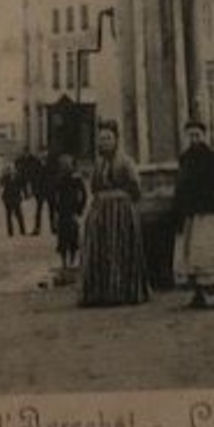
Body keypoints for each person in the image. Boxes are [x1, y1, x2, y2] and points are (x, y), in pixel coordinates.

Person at [79, 122, 147, 306]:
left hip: (121, 213)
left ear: (116, 140)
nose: (105, 143)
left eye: (108, 138)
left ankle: (122, 292)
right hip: (100, 212)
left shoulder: (126, 162)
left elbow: (136, 188)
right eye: (101, 139)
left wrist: (122, 202)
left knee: (120, 248)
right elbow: (93, 187)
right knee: (100, 250)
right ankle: (100, 293)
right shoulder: (98, 164)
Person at [174, 118, 214, 309]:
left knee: (213, 253)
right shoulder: (185, 159)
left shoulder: (212, 159)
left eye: (197, 135)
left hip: (210, 214)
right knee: (194, 254)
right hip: (193, 214)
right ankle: (198, 294)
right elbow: (182, 185)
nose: (194, 140)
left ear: (204, 136)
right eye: (190, 136)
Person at [50, 154, 88, 268]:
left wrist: (79, 209)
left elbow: (84, 195)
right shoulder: (58, 179)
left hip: (72, 211)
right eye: (63, 164)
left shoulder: (76, 179)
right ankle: (64, 261)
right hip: (62, 211)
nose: (65, 166)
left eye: (67, 164)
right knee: (62, 238)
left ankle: (72, 259)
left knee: (73, 236)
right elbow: (54, 196)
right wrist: (55, 212)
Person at [0, 169, 27, 237]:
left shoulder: (12, 177)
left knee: (11, 215)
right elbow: (23, 186)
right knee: (17, 214)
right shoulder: (17, 177)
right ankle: (21, 230)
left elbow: (2, 183)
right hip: (13, 197)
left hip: (11, 197)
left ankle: (12, 231)